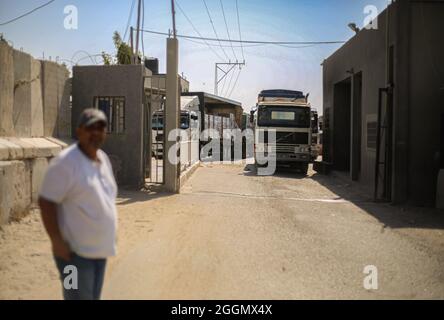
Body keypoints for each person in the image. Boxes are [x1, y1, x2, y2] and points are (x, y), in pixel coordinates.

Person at [38, 108, 118, 300]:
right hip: (72, 257)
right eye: (91, 128)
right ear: (79, 131)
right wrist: (56, 241)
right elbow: (46, 201)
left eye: (100, 128)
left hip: (100, 252)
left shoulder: (103, 159)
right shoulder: (65, 163)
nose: (96, 133)